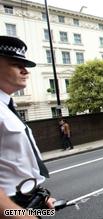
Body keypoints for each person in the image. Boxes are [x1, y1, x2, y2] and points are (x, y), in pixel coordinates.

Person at [0, 35, 55, 218]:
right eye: (16, 64)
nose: (26, 71)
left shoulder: (8, 107)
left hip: (27, 199)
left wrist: (40, 194)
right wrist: (20, 215)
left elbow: (15, 165)